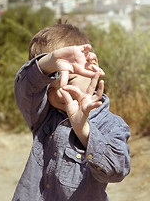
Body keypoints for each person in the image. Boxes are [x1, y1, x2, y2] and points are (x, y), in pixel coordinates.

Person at [12, 23, 130, 201]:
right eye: (51, 88)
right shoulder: (44, 115)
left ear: (91, 66)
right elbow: (27, 87)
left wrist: (83, 130)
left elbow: (116, 170)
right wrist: (51, 61)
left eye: (70, 80)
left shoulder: (112, 124)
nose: (61, 92)